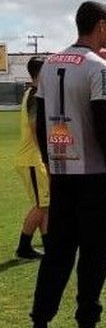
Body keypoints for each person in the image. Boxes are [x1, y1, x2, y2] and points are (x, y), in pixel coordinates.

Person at [26, 1, 106, 328]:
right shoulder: (98, 67)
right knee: (94, 257)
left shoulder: (50, 64)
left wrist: (52, 164)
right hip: (93, 178)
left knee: (57, 255)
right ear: (101, 25)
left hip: (62, 177)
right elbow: (104, 129)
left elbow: (41, 124)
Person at [13, 57, 49, 260]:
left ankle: (49, 244)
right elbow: (36, 129)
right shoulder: (35, 94)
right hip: (33, 159)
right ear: (40, 73)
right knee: (41, 205)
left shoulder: (33, 93)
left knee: (46, 204)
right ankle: (23, 247)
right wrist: (45, 157)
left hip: (34, 158)